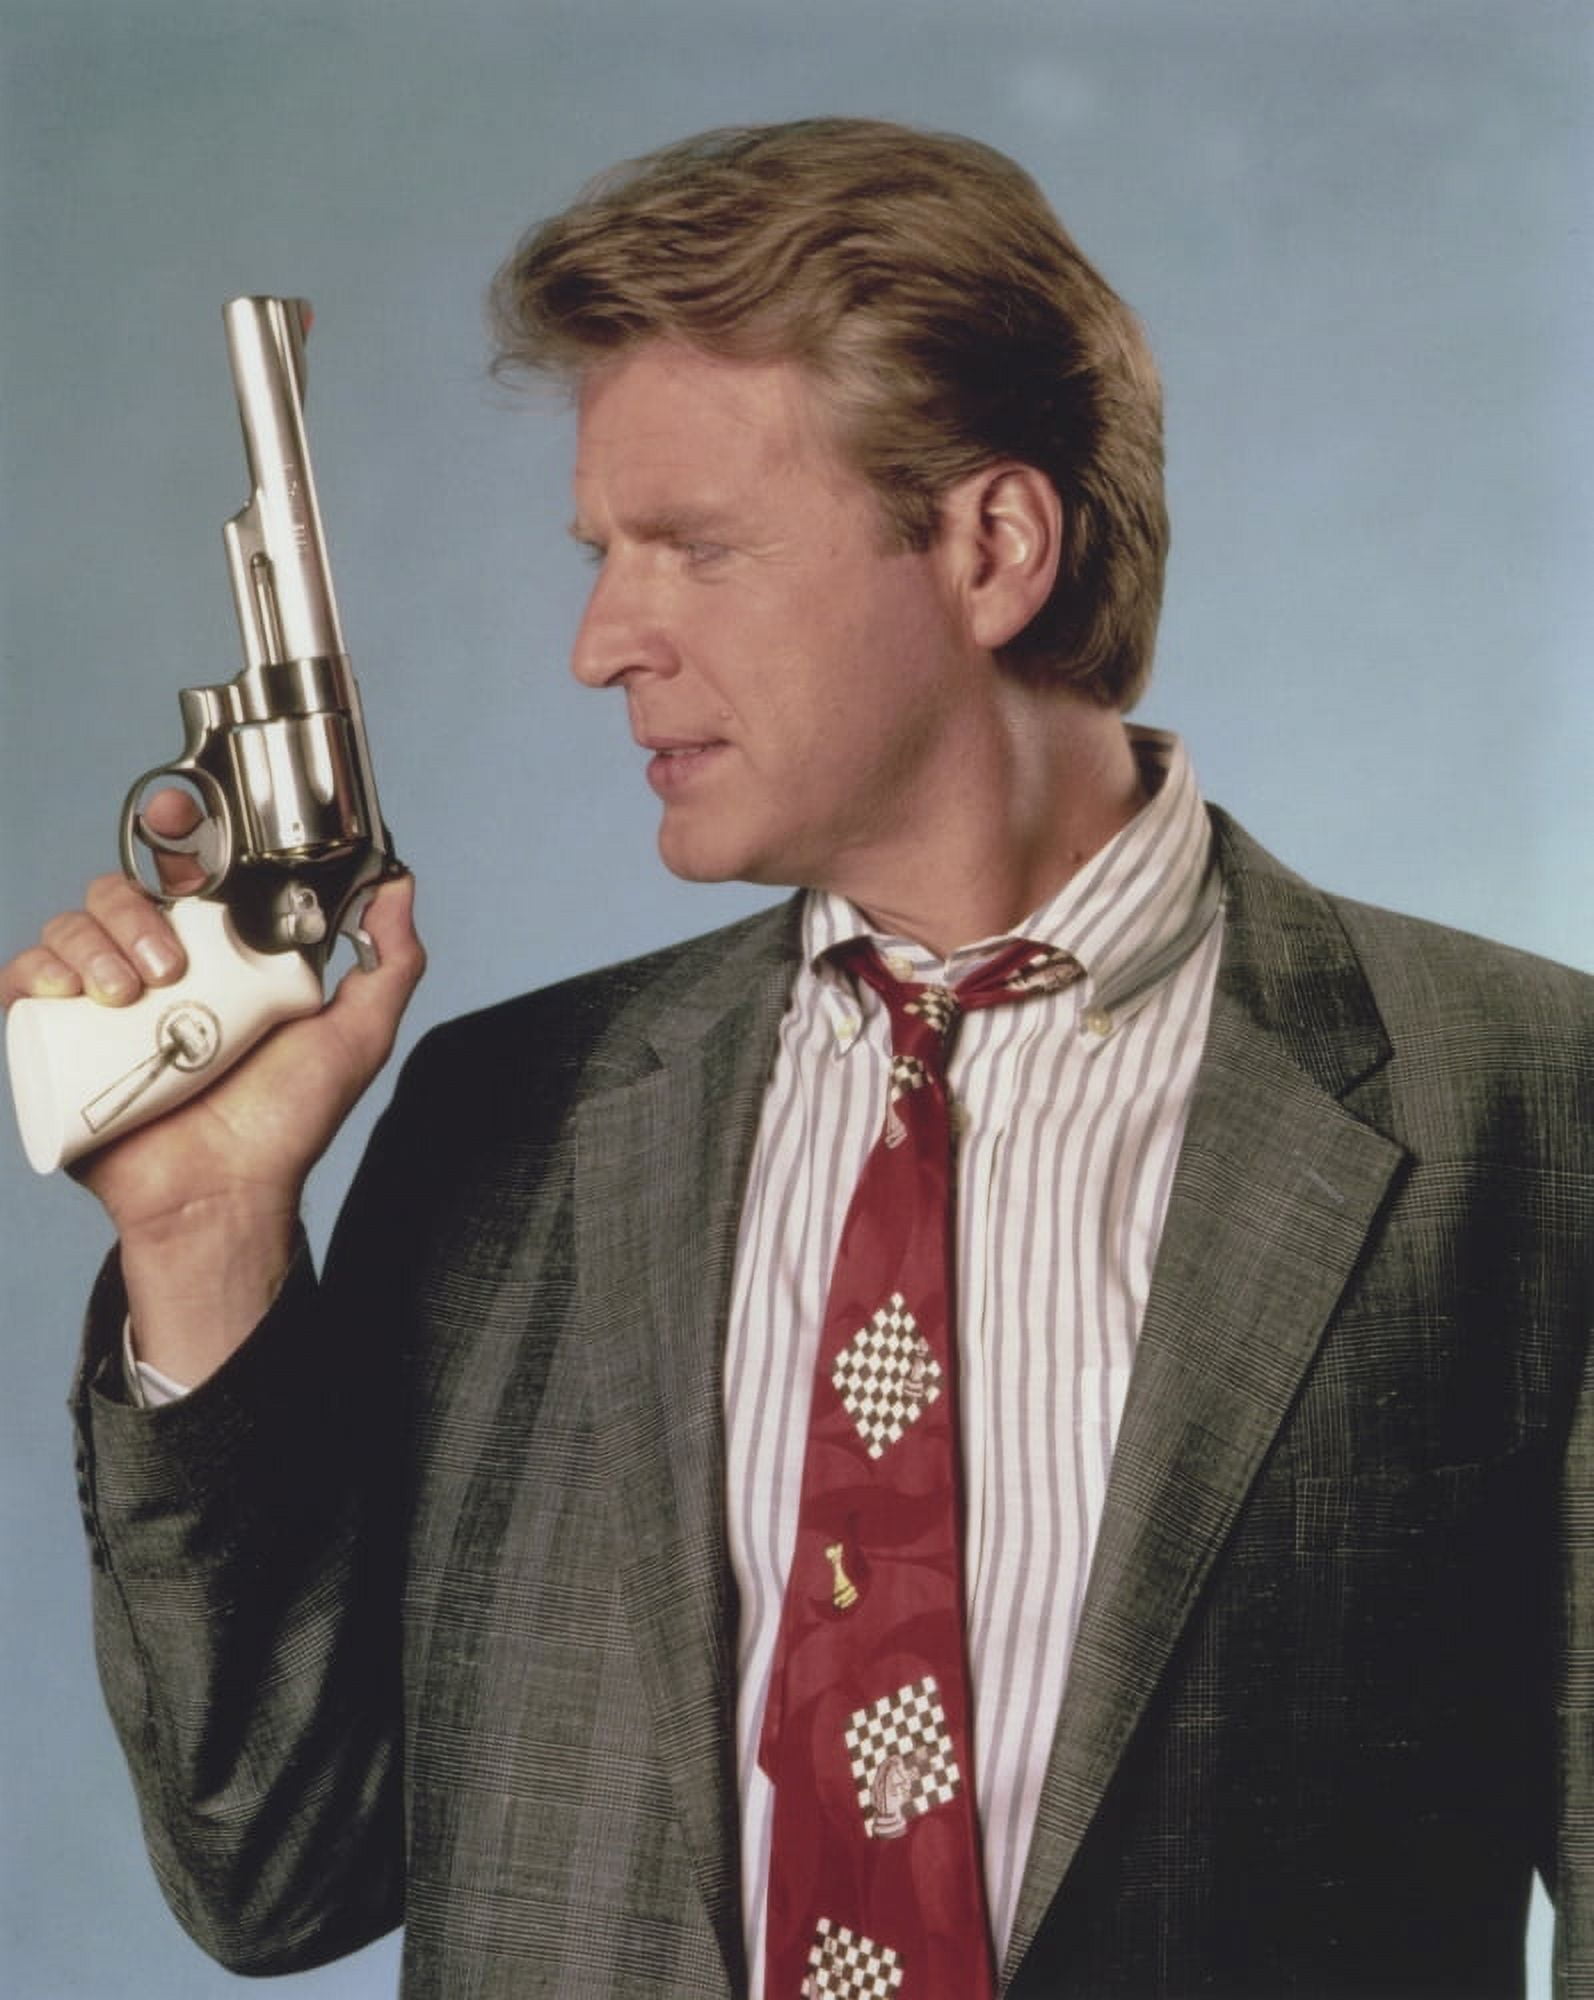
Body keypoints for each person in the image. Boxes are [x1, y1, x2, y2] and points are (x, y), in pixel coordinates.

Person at [3, 118, 1590, 2000]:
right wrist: (203, 1236)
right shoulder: (517, 1118)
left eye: (698, 550)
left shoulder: (1522, 1104)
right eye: (604, 553)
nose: (600, 643)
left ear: (991, 545)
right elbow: (273, 1870)